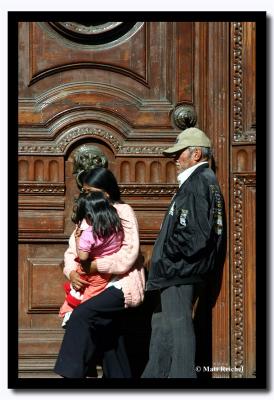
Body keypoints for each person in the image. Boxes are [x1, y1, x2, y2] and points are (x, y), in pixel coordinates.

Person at [141, 127, 225, 378]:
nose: (175, 160)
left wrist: (168, 256)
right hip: (178, 272)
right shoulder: (202, 181)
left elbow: (194, 237)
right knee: (162, 329)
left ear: (196, 153)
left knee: (178, 331)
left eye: (180, 153)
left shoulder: (198, 182)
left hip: (180, 272)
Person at [54, 167, 145, 378]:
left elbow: (128, 254)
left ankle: (70, 375)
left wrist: (94, 266)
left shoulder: (123, 211)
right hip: (90, 284)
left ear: (105, 193)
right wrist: (71, 272)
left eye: (89, 191)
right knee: (109, 337)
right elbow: (72, 250)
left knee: (82, 316)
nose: (84, 195)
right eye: (83, 190)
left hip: (120, 283)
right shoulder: (87, 212)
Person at [59, 191, 124, 327]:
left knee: (84, 293)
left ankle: (72, 314)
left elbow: (83, 257)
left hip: (90, 270)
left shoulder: (89, 234)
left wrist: (78, 240)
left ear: (89, 215)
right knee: (92, 293)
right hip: (106, 272)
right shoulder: (116, 226)